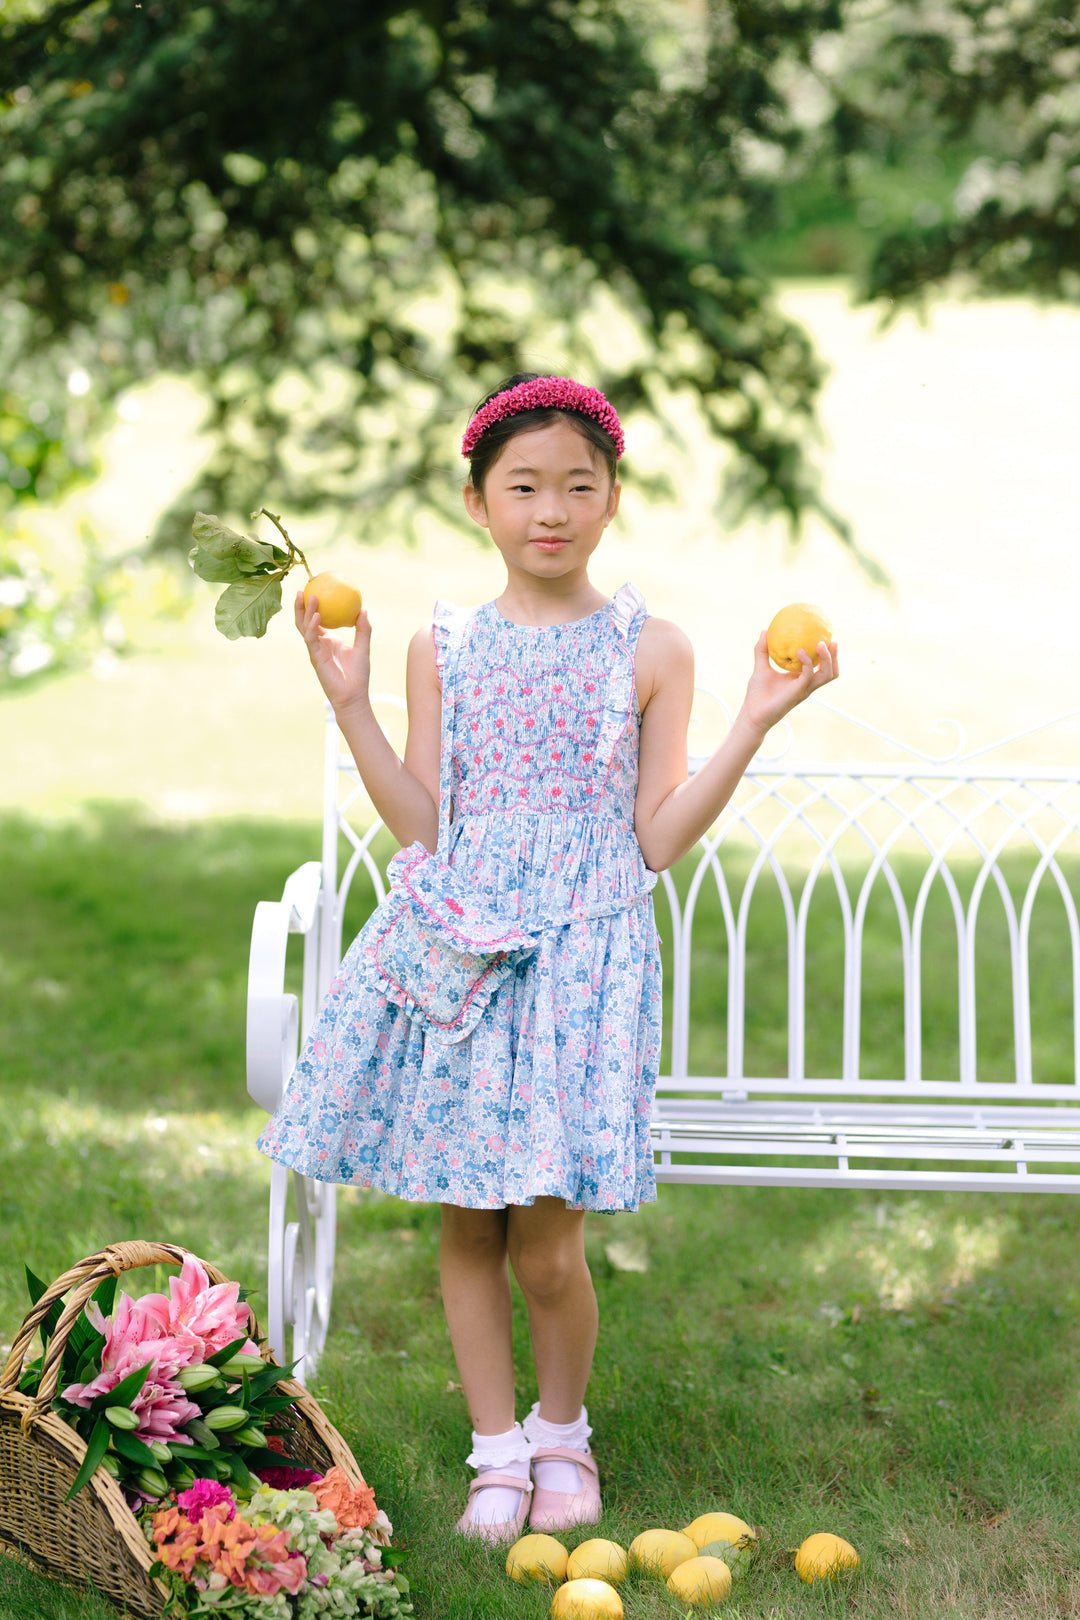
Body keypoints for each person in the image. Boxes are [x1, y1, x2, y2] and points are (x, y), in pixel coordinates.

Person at [257, 372, 838, 1542]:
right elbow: (426, 827)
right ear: (478, 502)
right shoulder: (445, 644)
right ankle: (496, 1453)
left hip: (585, 965)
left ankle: (562, 1433)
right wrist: (353, 705)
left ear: (613, 499)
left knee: (549, 1243)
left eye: (579, 485)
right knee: (470, 1222)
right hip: (466, 957)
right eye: (523, 487)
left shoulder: (651, 647)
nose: (552, 511)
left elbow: (656, 838)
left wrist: (754, 720)